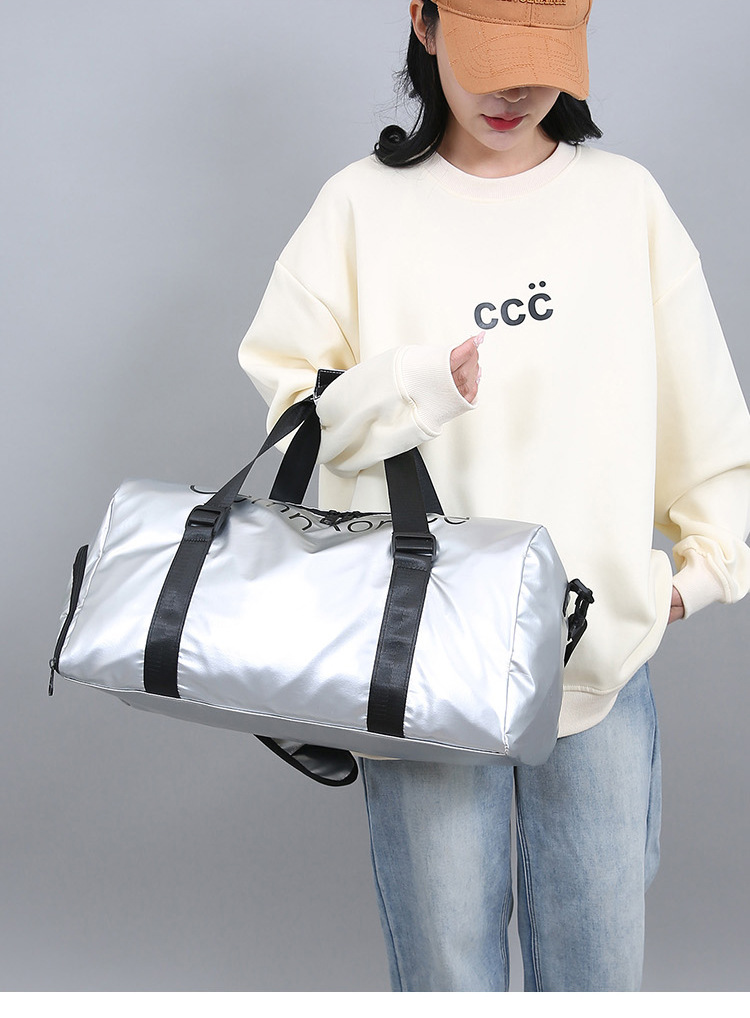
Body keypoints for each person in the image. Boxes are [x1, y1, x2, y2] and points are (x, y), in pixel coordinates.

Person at [238, 0, 750, 992]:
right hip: (421, 664)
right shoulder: (358, 210)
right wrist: (414, 387)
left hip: (595, 661)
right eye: (489, 57)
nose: (515, 89)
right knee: (446, 979)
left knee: (597, 977)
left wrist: (699, 573)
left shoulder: (625, 204)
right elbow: (296, 416)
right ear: (425, 26)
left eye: (540, 59)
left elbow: (706, 412)